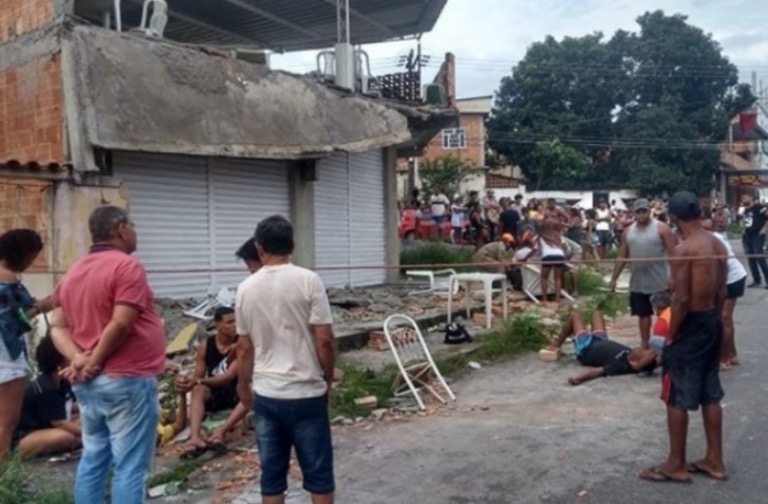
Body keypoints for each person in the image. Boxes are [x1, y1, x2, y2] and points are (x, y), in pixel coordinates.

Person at [50, 205, 166, 503]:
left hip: (91, 384)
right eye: (134, 226)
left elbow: (57, 327)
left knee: (94, 457)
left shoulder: (74, 271)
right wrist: (92, 360)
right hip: (125, 378)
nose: (136, 233)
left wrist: (78, 359)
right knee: (130, 465)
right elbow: (122, 322)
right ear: (120, 229)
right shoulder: (127, 267)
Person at [236, 215, 336, 504]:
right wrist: (327, 378)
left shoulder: (246, 288)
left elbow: (244, 348)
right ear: (292, 244)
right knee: (319, 477)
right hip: (306, 392)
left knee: (272, 480)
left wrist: (244, 385)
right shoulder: (309, 280)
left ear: (259, 247)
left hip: (267, 393)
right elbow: (325, 339)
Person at [639, 191, 728, 484]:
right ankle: (715, 460)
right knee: (709, 392)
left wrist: (671, 335)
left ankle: (675, 463)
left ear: (674, 218)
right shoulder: (717, 244)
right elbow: (722, 292)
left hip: (690, 323)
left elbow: (682, 299)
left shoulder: (684, 250)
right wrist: (715, 321)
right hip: (711, 321)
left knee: (676, 394)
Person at [0, 229, 51, 459]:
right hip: (6, 356)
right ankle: (3, 481)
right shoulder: (7, 278)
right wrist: (43, 306)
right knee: (6, 422)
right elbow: (13, 321)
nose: (31, 263)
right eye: (31, 257)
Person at [177, 306, 247, 459]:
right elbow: (198, 376)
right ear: (218, 325)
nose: (234, 325)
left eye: (236, 321)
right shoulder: (206, 346)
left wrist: (199, 380)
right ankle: (195, 437)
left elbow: (228, 376)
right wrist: (191, 383)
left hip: (235, 390)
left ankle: (221, 432)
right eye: (229, 322)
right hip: (215, 391)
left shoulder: (241, 343)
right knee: (198, 390)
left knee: (251, 393)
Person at [609, 198, 677, 349]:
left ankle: (668, 344)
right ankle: (645, 346)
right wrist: (614, 278)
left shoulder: (662, 228)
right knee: (643, 314)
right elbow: (622, 257)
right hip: (639, 281)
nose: (641, 215)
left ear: (649, 211)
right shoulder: (628, 232)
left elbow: (674, 254)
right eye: (638, 212)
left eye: (644, 211)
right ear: (634, 213)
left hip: (660, 280)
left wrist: (674, 277)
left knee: (664, 314)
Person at [545, 311, 657, 386]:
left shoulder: (620, 366)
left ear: (635, 363)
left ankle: (557, 344)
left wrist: (578, 378)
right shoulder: (631, 355)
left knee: (574, 316)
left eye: (642, 353)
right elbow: (657, 356)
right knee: (597, 313)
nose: (643, 349)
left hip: (586, 348)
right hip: (601, 340)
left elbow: (597, 371)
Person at [13, 336, 81, 458]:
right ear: (59, 362)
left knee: (87, 419)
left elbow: (71, 406)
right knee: (66, 437)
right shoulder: (46, 387)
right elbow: (60, 423)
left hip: (47, 427)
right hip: (27, 435)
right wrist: (90, 434)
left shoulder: (62, 381)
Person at [701, 217, 748, 370]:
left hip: (732, 278)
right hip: (723, 279)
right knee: (723, 318)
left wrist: (718, 287)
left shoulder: (714, 239)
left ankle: (724, 357)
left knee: (724, 318)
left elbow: (722, 265)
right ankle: (732, 353)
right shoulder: (703, 238)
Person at [740, 194, 768, 288]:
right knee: (751, 258)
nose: (743, 199)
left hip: (758, 235)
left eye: (745, 197)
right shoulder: (745, 209)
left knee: (759, 256)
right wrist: (743, 229)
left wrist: (765, 228)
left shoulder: (760, 207)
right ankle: (757, 279)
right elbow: (745, 220)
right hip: (748, 235)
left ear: (751, 197)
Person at [538, 219, 567, 303]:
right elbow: (564, 247)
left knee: (544, 278)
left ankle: (544, 299)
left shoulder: (541, 235)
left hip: (547, 255)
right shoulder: (558, 235)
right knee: (557, 278)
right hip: (559, 255)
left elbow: (539, 249)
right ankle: (558, 298)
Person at [648, 291, 672, 359]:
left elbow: (659, 335)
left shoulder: (663, 319)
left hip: (677, 346)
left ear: (656, 307)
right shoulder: (675, 310)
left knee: (653, 341)